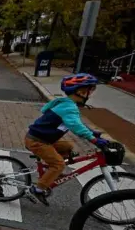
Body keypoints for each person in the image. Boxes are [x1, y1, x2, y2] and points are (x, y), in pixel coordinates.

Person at [25, 74, 107, 205]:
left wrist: (92, 132)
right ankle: (38, 189)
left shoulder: (67, 104)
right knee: (59, 164)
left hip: (45, 139)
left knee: (67, 147)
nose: (90, 94)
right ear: (80, 91)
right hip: (37, 141)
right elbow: (76, 127)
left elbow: (77, 123)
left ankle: (51, 172)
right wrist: (94, 140)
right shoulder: (68, 107)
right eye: (90, 91)